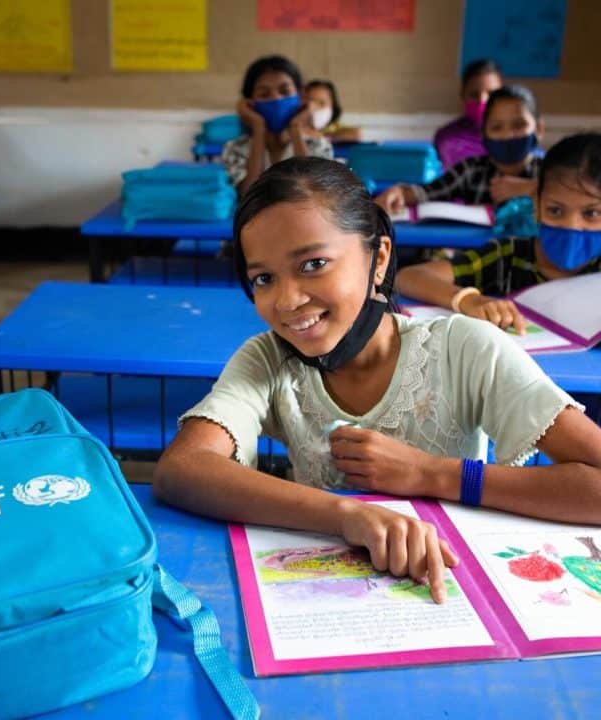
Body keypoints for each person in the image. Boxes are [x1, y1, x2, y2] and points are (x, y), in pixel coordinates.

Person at [153, 157, 601, 605]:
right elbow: (183, 469)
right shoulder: (268, 359)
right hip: (326, 595)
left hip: (453, 591)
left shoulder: (464, 348)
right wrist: (347, 515)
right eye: (264, 278)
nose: (287, 300)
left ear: (379, 258)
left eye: (313, 264)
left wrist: (433, 475)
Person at [396, 132, 601, 333]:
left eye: (591, 213)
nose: (571, 225)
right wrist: (468, 299)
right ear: (537, 206)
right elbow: (408, 277)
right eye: (555, 210)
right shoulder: (509, 257)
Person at [376, 85, 543, 215]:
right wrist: (399, 192)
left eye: (519, 125)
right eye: (497, 127)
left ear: (539, 129)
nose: (507, 135)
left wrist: (531, 189)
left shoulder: (550, 172)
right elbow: (428, 192)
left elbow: (567, 200)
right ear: (483, 134)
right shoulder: (470, 170)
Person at [222, 55, 333, 196]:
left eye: (285, 91)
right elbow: (248, 196)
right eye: (264, 94)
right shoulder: (235, 149)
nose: (276, 98)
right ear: (250, 102)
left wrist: (296, 128)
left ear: (300, 96)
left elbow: (314, 194)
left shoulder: (318, 145)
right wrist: (258, 127)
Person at [434, 59, 503, 169]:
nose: (482, 101)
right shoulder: (447, 138)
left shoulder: (511, 138)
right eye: (474, 94)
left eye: (491, 94)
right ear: (463, 96)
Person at [304, 79, 363, 143]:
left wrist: (319, 136)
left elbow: (356, 134)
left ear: (332, 105)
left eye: (321, 103)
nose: (315, 108)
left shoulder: (334, 127)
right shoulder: (295, 126)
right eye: (310, 102)